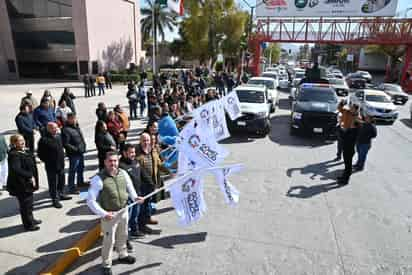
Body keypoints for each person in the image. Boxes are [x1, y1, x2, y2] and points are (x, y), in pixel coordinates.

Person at [87, 151, 144, 275]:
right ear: (105, 162)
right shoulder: (98, 179)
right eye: (110, 161)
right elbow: (90, 201)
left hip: (124, 210)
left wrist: (135, 198)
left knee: (123, 235)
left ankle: (122, 255)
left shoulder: (123, 173)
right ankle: (106, 265)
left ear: (118, 161)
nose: (113, 163)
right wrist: (103, 214)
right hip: (109, 215)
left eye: (115, 161)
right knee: (109, 240)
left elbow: (130, 187)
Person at [136, 133, 169, 233]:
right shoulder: (136, 153)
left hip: (152, 182)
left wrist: (169, 172)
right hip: (142, 184)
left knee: (148, 203)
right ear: (140, 141)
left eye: (147, 140)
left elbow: (158, 164)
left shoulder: (153, 150)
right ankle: (142, 225)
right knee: (142, 206)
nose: (146, 142)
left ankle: (148, 218)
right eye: (143, 140)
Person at [7, 134, 41, 231]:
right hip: (21, 185)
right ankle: (28, 225)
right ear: (14, 143)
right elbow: (16, 169)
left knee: (29, 204)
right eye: (19, 141)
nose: (22, 142)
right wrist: (29, 175)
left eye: (23, 140)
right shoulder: (14, 155)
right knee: (25, 205)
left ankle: (31, 219)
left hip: (28, 183)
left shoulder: (24, 151)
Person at [119, 144, 153, 239]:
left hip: (137, 194)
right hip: (128, 197)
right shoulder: (121, 166)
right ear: (124, 153)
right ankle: (124, 238)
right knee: (127, 218)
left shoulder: (136, 161)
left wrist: (151, 184)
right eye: (130, 152)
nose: (133, 154)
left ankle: (134, 230)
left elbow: (143, 173)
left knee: (135, 215)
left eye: (134, 152)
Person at [37, 122, 71, 208]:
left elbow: (61, 148)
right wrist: (48, 161)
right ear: (48, 129)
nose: (56, 129)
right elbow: (40, 154)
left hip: (61, 164)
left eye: (56, 127)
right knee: (53, 183)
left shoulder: (58, 136)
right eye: (53, 128)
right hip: (51, 166)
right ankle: (55, 199)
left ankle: (61, 194)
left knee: (61, 180)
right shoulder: (43, 140)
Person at [337, 102, 361, 185]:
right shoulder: (347, 112)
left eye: (352, 108)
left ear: (356, 110)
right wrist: (341, 103)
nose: (350, 109)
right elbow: (340, 109)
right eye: (350, 107)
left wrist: (342, 130)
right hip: (347, 148)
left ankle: (345, 180)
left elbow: (346, 136)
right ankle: (344, 177)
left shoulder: (356, 125)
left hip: (349, 149)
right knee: (347, 165)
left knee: (348, 165)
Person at [62, 113, 86, 194]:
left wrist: (83, 146)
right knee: (73, 170)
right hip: (74, 154)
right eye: (72, 118)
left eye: (75, 118)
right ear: (68, 119)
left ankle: (80, 182)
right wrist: (76, 149)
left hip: (80, 152)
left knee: (81, 168)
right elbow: (66, 143)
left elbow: (80, 137)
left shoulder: (76, 127)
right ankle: (71, 187)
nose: (74, 120)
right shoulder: (66, 129)